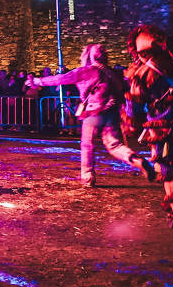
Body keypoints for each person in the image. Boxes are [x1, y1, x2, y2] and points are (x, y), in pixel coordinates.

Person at [28, 43, 156, 187]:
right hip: (111, 113)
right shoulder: (112, 73)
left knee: (87, 145)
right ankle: (136, 159)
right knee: (114, 145)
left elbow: (61, 79)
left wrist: (37, 81)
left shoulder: (86, 71)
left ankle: (87, 177)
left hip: (94, 113)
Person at [123, 25, 173, 244]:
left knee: (172, 178)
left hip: (165, 134)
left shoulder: (142, 74)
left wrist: (134, 124)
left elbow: (134, 109)